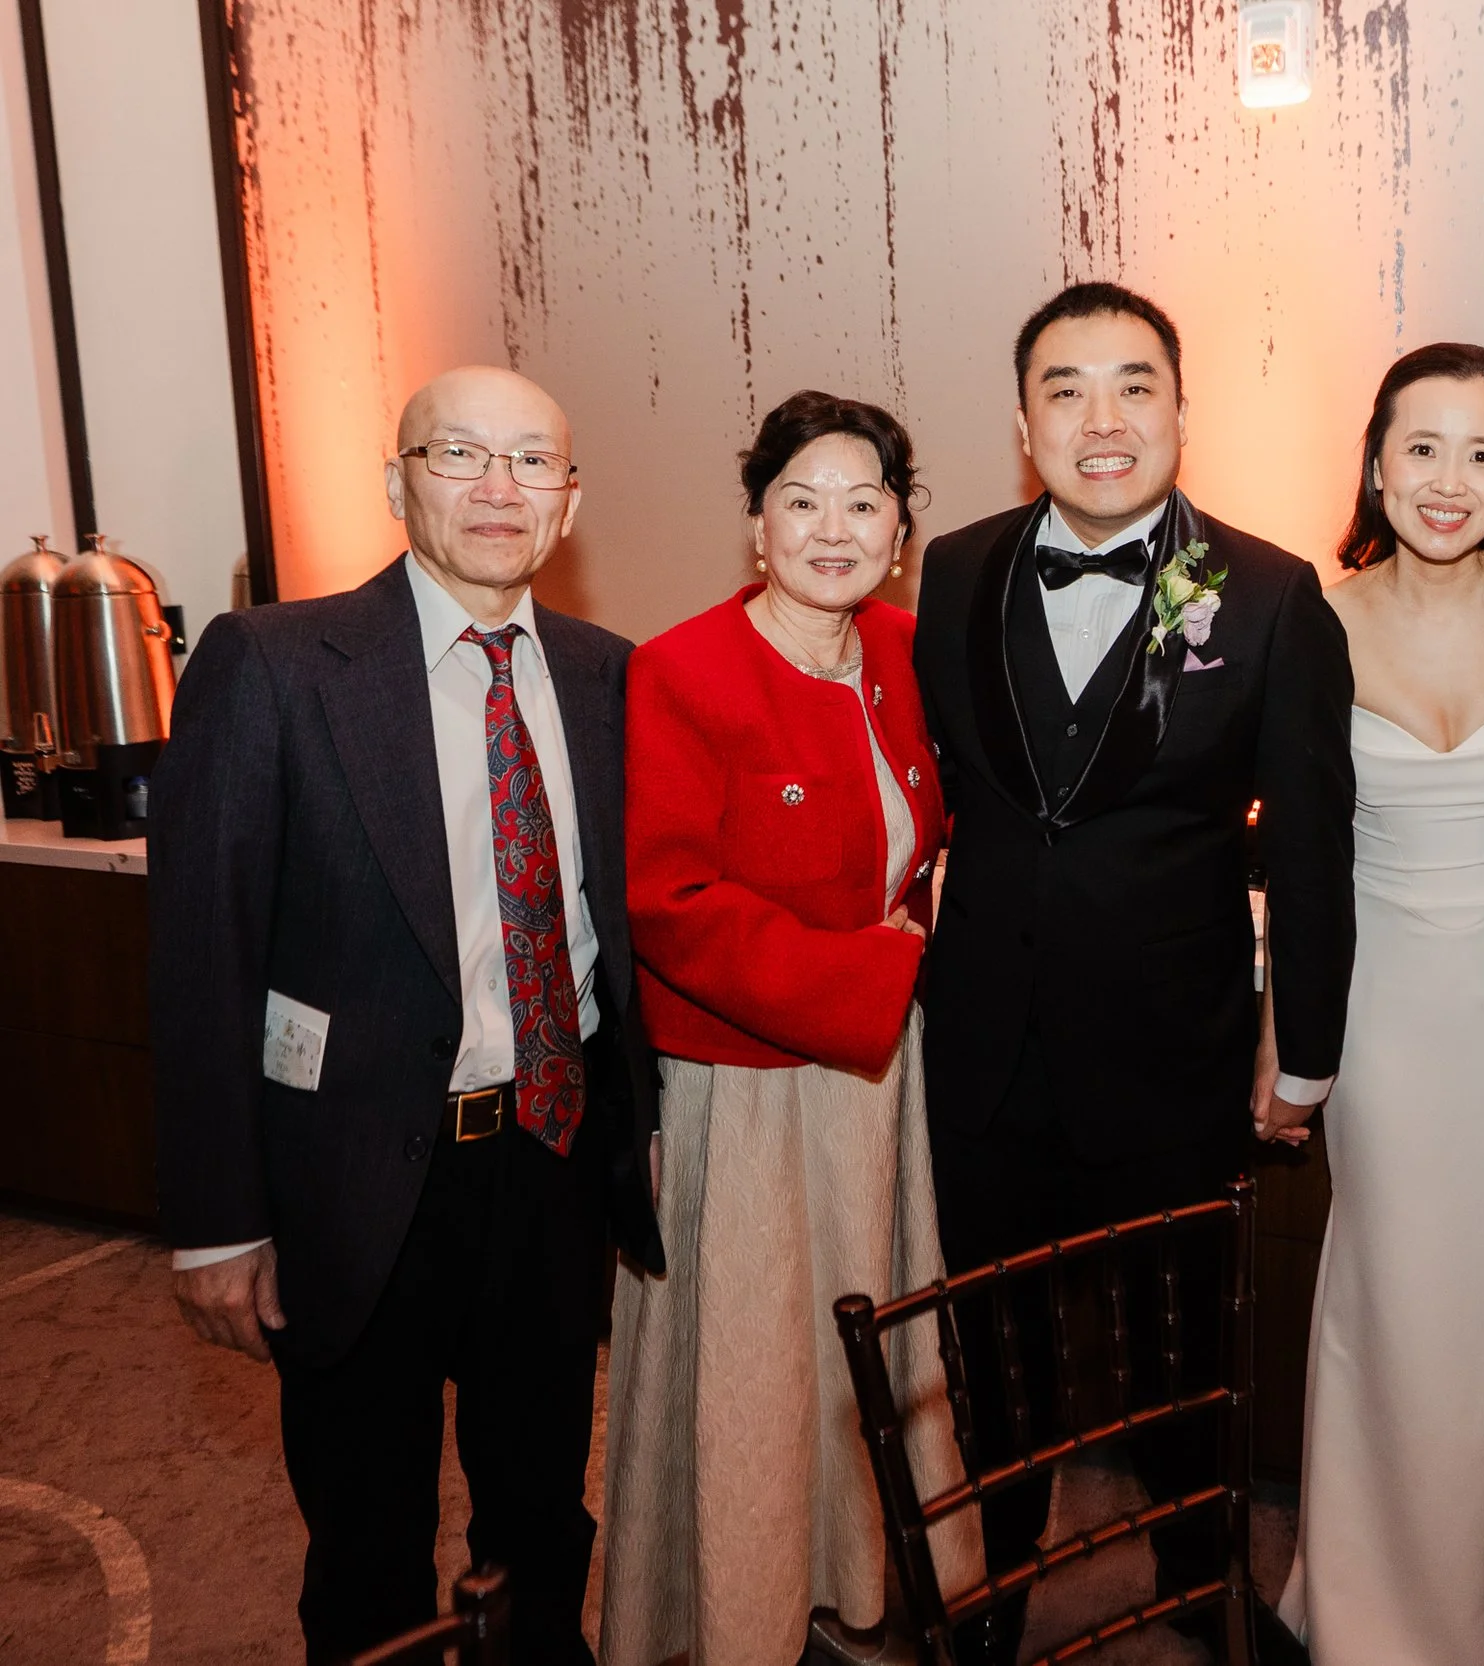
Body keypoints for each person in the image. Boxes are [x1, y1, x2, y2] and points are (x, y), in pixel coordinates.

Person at [149, 366, 664, 1664]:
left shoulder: (608, 674)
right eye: (459, 454)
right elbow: (203, 957)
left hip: (549, 1162)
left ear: (568, 502)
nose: (498, 487)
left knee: (542, 1515)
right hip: (357, 1177)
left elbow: (625, 932)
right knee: (369, 1542)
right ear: (397, 481)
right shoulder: (274, 664)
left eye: (532, 461)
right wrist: (218, 1220)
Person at [912, 281, 1356, 1666]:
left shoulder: (1270, 594)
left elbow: (1315, 845)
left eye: (1132, 385)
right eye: (1065, 389)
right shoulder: (954, 569)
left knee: (1183, 1361)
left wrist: (1303, 1049)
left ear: (1179, 410)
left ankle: (1202, 1588)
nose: (1100, 419)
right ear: (1023, 422)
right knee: (996, 1362)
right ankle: (991, 1603)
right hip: (984, 1053)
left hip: (1175, 1051)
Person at [599, 392, 979, 1665]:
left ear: (900, 531)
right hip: (752, 1080)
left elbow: (941, 829)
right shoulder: (684, 668)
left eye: (864, 502)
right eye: (801, 500)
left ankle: (859, 1578)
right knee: (759, 1367)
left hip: (878, 1077)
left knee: (868, 1339)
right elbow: (667, 901)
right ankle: (745, 1611)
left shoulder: (905, 651)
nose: (833, 528)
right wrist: (872, 972)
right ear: (756, 524)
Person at [1275, 342, 1484, 1665]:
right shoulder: (1316, 617)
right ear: (1376, 463)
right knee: (1394, 1301)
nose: (1449, 479)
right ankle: (1374, 1608)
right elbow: (1298, 850)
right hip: (1385, 1012)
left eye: (1483, 452)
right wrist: (1287, 1044)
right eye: (1422, 447)